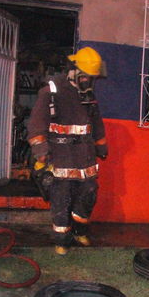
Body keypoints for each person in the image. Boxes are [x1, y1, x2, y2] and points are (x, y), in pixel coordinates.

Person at [26, 47, 108, 255]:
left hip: (85, 158)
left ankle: (80, 232)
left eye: (91, 78)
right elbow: (36, 125)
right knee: (61, 198)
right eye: (86, 77)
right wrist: (41, 151)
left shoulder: (88, 95)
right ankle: (62, 241)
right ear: (74, 71)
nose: (89, 82)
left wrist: (101, 145)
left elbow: (96, 123)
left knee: (88, 194)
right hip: (60, 157)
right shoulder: (51, 92)